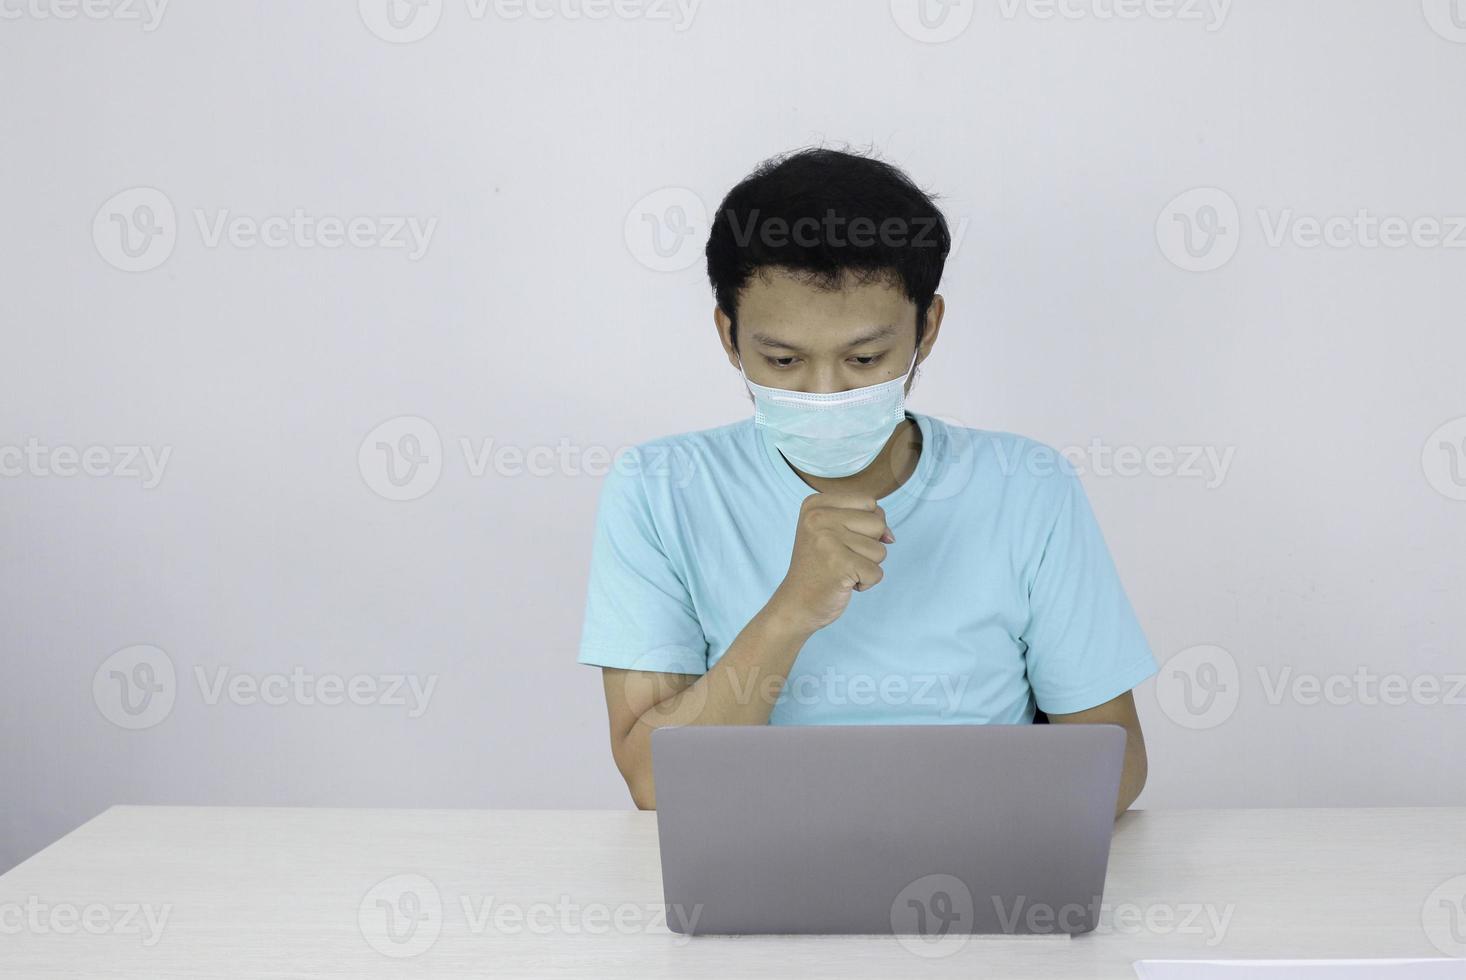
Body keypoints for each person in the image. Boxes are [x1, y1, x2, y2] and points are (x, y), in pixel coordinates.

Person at [578, 146, 1156, 815]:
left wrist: (938, 819)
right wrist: (792, 610)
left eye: (864, 357)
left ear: (927, 329)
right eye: (784, 359)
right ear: (729, 338)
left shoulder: (1027, 486)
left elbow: (1116, 767)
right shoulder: (659, 488)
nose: (826, 392)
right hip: (756, 869)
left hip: (985, 875)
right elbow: (652, 781)